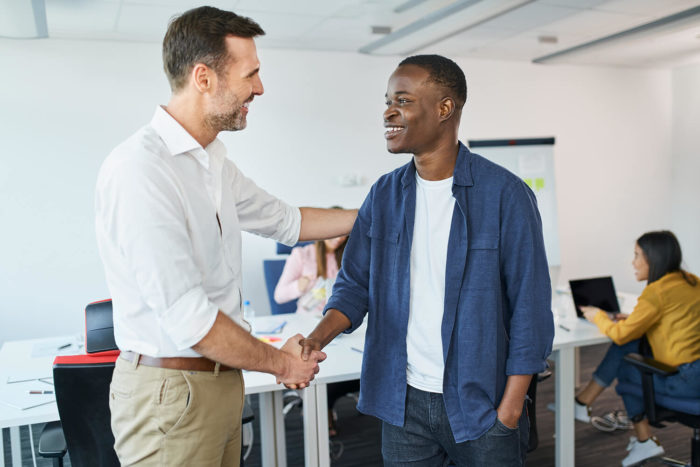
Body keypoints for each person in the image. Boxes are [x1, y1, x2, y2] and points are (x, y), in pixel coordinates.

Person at [94, 7, 356, 466]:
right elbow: (190, 318)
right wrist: (283, 363)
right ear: (204, 78)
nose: (259, 87)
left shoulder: (211, 160)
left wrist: (379, 211)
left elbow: (287, 222)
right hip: (172, 394)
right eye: (251, 74)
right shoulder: (142, 170)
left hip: (219, 382)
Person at [296, 55, 554, 466]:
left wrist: (509, 409)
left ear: (444, 108)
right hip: (403, 404)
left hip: (482, 406)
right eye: (387, 100)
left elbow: (531, 309)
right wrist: (315, 339)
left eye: (403, 100)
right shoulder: (383, 195)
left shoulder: (505, 195)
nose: (388, 111)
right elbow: (354, 286)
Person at [578, 230, 700, 466]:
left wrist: (598, 316)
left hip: (685, 382)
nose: (632, 262)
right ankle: (582, 403)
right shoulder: (693, 281)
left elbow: (621, 335)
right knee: (633, 345)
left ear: (652, 259)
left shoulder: (656, 292)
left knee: (626, 370)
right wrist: (634, 319)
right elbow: (674, 318)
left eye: (636, 256)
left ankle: (644, 441)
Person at [274, 226, 359, 436]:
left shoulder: (348, 256)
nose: (339, 239)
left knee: (354, 361)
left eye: (343, 236)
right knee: (317, 362)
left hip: (338, 325)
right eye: (335, 232)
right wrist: (300, 287)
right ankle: (321, 411)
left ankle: (326, 401)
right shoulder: (302, 255)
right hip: (306, 323)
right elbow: (279, 295)